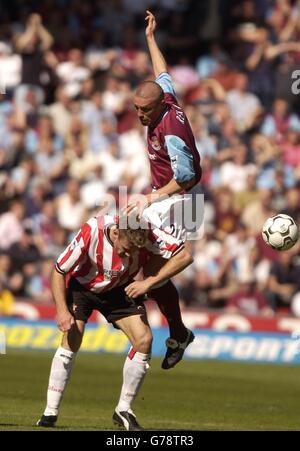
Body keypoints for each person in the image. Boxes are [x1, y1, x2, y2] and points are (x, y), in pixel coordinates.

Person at [37, 214, 193, 430]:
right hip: (83, 287)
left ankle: (123, 410)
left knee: (144, 340)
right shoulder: (92, 230)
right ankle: (50, 412)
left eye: (133, 252)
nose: (127, 255)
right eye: (125, 249)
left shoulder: (149, 232)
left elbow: (185, 256)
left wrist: (149, 282)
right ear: (116, 233)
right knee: (73, 337)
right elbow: (58, 270)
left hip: (119, 289)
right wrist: (62, 310)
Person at [126, 10, 202, 369]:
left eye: (144, 111)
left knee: (152, 273)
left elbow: (187, 177)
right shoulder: (166, 98)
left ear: (158, 106)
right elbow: (163, 74)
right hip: (162, 194)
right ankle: (177, 331)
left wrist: (152, 196)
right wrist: (151, 39)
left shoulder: (170, 130)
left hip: (180, 200)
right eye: (136, 109)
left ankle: (153, 320)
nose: (139, 116)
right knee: (146, 267)